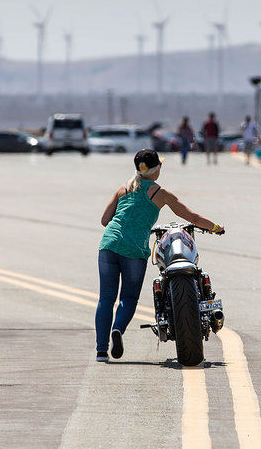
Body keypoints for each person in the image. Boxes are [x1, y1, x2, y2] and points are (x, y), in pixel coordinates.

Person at [95, 148, 225, 362]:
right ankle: (117, 329)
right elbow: (191, 216)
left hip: (108, 245)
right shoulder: (159, 193)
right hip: (134, 250)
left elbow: (104, 220)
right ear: (156, 170)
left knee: (106, 298)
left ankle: (101, 351)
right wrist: (215, 227)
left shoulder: (123, 189)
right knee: (128, 297)